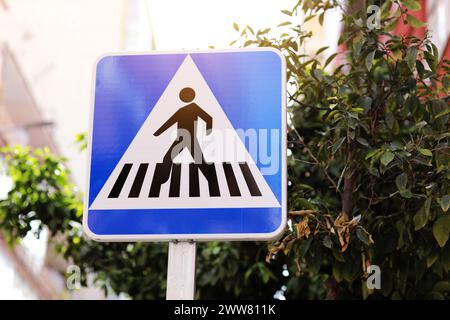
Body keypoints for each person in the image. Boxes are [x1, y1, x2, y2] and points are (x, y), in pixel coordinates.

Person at [154, 87, 212, 164]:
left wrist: (208, 130)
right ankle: (211, 174)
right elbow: (170, 122)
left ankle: (212, 174)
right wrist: (157, 133)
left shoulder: (194, 107)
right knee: (167, 159)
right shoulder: (181, 110)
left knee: (167, 159)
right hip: (181, 138)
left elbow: (208, 118)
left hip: (189, 138)